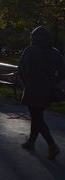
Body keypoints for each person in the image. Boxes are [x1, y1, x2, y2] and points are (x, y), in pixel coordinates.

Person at [18, 26, 64, 160]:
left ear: (35, 37)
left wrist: (26, 83)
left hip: (33, 88)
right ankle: (31, 142)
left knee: (37, 117)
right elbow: (62, 73)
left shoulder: (30, 50)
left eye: (32, 36)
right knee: (36, 114)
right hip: (48, 90)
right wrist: (52, 81)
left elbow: (21, 70)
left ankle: (52, 145)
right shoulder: (55, 52)